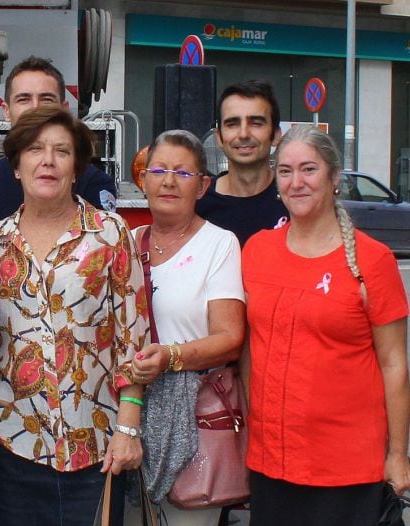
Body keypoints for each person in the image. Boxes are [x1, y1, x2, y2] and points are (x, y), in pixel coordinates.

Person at [0, 106, 147, 525]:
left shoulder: (110, 233)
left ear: (76, 168)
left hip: (97, 442)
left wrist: (128, 428)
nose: (48, 161)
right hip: (13, 439)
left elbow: (133, 337)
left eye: (61, 151)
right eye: (35, 149)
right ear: (16, 166)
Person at [241, 125, 410, 525]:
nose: (296, 182)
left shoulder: (373, 260)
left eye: (308, 169)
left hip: (347, 469)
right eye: (285, 171)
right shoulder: (257, 250)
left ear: (335, 177)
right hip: (272, 463)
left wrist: (398, 455)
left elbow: (394, 366)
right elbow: (249, 349)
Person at [127, 130, 245, 526]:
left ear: (203, 186)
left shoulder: (219, 244)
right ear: (143, 180)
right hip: (127, 414)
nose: (169, 181)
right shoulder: (125, 243)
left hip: (193, 417)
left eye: (183, 172)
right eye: (158, 169)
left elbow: (230, 338)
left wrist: (171, 357)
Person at [0, 56, 117, 225]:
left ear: (64, 109)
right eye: (24, 99)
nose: (35, 108)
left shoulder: (93, 183)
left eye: (46, 99)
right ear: (6, 111)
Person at [196, 80, 288, 246]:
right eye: (232, 124)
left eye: (256, 123)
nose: (244, 134)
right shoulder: (198, 204)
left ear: (275, 135)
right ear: (219, 137)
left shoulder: (293, 199)